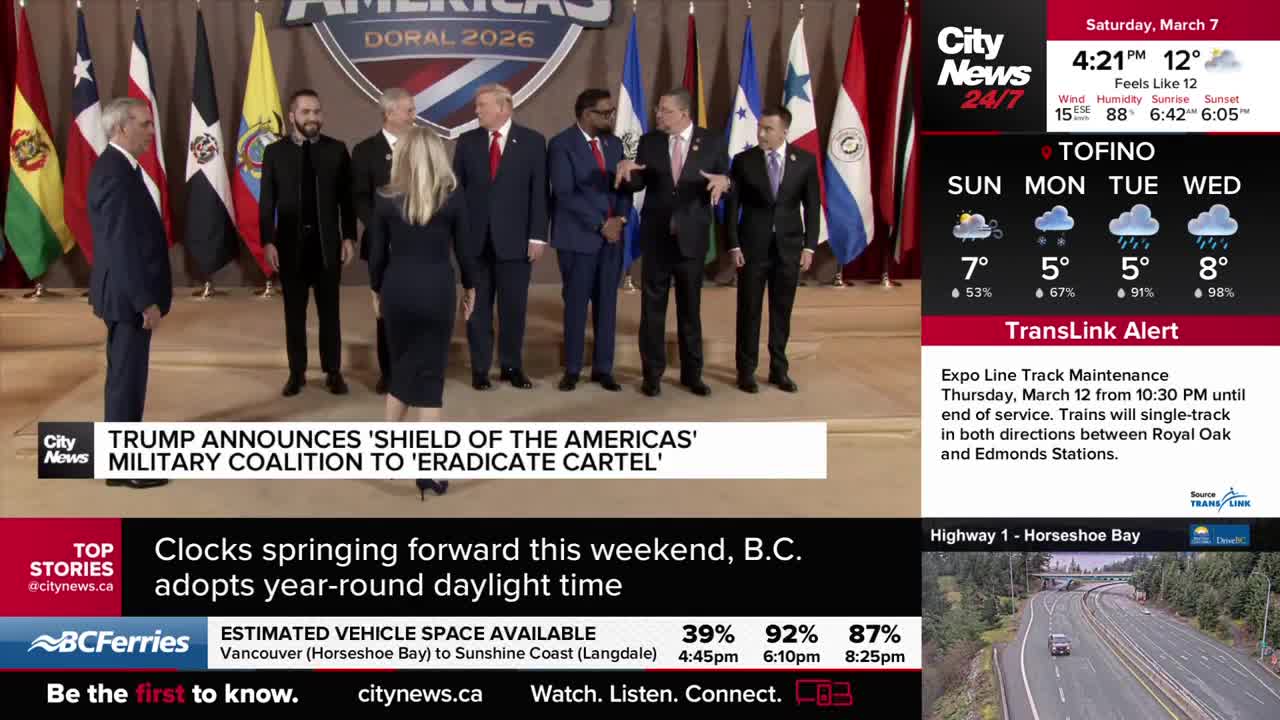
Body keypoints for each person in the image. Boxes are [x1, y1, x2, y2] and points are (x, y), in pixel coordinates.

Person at [368, 127, 477, 499]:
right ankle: (429, 471)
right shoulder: (454, 198)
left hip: (397, 289)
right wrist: (471, 287)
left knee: (402, 368)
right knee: (429, 378)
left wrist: (375, 290)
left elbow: (377, 255)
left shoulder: (385, 198)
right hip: (436, 291)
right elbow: (465, 251)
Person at [615, 88, 731, 397]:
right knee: (652, 310)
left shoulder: (713, 141)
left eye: (664, 110)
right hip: (657, 238)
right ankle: (652, 374)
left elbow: (727, 181)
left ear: (683, 113)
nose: (658, 114)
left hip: (692, 239)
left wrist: (726, 182)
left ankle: (693, 375)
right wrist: (628, 171)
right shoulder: (650, 142)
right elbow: (641, 180)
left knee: (690, 311)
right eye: (657, 109)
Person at [88, 97, 172, 489]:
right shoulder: (114, 172)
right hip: (127, 295)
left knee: (125, 376)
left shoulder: (122, 168)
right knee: (127, 378)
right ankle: (125, 467)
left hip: (124, 291)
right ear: (122, 128)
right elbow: (120, 245)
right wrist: (144, 301)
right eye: (145, 124)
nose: (151, 132)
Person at [259, 89, 357, 397]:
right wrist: (267, 241)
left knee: (330, 315)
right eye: (305, 112)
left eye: (317, 111)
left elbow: (347, 201)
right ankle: (296, 373)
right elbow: (266, 202)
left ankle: (333, 371)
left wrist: (349, 236)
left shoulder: (337, 150)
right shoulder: (274, 153)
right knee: (294, 315)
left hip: (327, 246)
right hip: (290, 248)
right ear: (292, 116)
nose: (312, 117)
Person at [451, 83, 547, 390]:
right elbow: (458, 194)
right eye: (477, 105)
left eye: (482, 105)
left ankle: (511, 366)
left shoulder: (533, 141)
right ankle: (480, 369)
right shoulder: (467, 143)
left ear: (503, 108)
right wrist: (460, 236)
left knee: (513, 309)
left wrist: (537, 237)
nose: (476, 110)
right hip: (476, 242)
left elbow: (539, 195)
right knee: (478, 310)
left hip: (517, 242)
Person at [725, 106, 819, 393]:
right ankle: (746, 370)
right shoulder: (744, 161)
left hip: (788, 248)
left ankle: (779, 370)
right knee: (749, 310)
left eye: (768, 129)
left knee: (781, 311)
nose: (761, 133)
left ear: (784, 131)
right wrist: (733, 243)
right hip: (753, 248)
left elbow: (812, 207)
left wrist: (810, 247)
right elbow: (732, 208)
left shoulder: (804, 161)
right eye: (760, 128)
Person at [547, 89, 632, 392]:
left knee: (607, 305)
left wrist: (619, 220)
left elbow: (624, 188)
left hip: (612, 239)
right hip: (577, 238)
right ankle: (572, 368)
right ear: (586, 115)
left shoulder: (614, 144)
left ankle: (603, 368)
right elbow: (565, 194)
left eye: (611, 112)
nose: (611, 117)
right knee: (576, 305)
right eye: (605, 112)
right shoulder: (561, 145)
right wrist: (600, 224)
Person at [352, 88, 415, 395]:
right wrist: (382, 228)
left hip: (419, 243)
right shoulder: (365, 150)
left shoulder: (421, 145)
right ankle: (388, 373)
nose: (414, 116)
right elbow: (360, 198)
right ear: (390, 114)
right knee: (386, 312)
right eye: (409, 111)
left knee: (416, 308)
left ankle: (413, 369)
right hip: (382, 244)